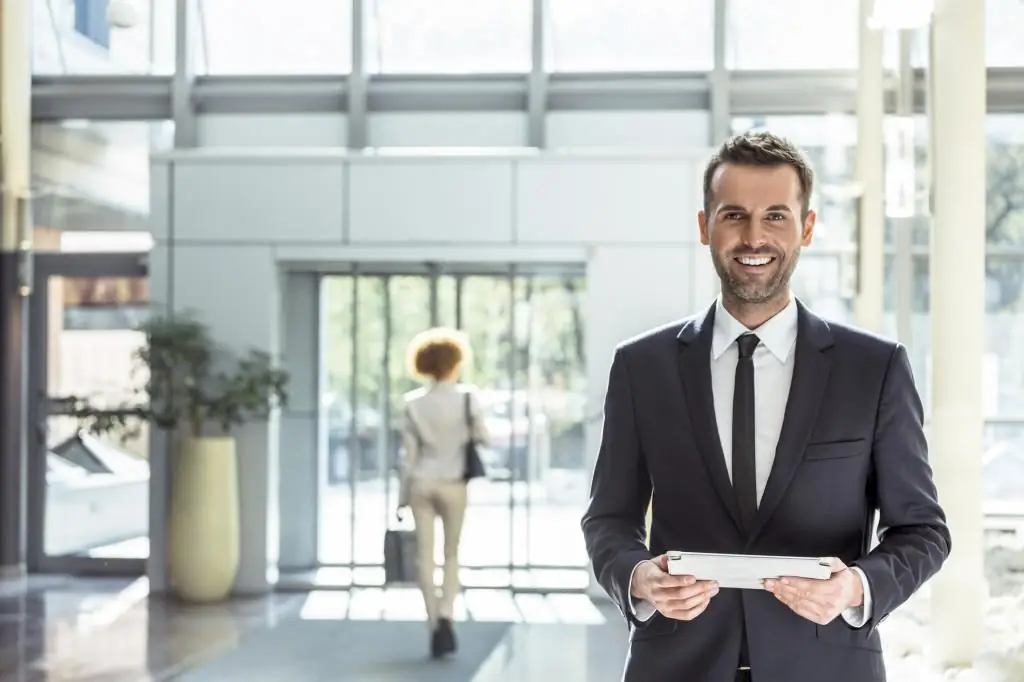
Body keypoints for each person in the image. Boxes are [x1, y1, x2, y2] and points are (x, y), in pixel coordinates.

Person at [581, 131, 951, 682]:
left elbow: (923, 529)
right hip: (677, 664)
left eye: (776, 216)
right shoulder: (642, 368)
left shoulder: (873, 369)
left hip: (825, 666)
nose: (754, 236)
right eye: (734, 215)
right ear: (705, 225)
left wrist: (857, 587)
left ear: (806, 227)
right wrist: (636, 577)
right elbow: (609, 518)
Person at [398, 327, 490, 658]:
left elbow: (407, 458)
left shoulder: (413, 404)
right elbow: (484, 437)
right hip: (454, 483)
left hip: (421, 482)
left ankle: (433, 621)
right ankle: (448, 613)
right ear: (455, 362)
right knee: (452, 553)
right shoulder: (467, 398)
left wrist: (400, 498)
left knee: (425, 557)